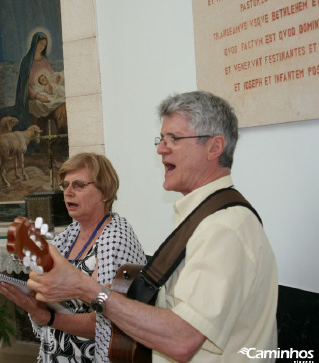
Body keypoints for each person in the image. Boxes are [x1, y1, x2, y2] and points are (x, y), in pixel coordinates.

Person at [27, 91, 278, 362]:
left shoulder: (225, 228)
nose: (161, 149)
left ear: (214, 147)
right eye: (161, 139)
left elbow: (183, 339)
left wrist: (87, 289)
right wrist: (51, 314)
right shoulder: (201, 218)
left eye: (175, 139)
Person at [0, 152, 146, 362]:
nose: (68, 193)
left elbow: (108, 323)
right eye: (65, 185)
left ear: (104, 192)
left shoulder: (116, 239)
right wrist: (33, 298)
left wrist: (49, 318)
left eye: (79, 185)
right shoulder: (67, 237)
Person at [0, 32, 65, 132]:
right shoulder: (27, 61)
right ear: (34, 43)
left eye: (44, 45)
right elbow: (26, 85)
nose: (42, 47)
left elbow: (51, 76)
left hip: (48, 90)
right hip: (34, 95)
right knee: (40, 103)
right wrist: (37, 96)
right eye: (40, 43)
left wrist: (57, 80)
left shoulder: (44, 60)